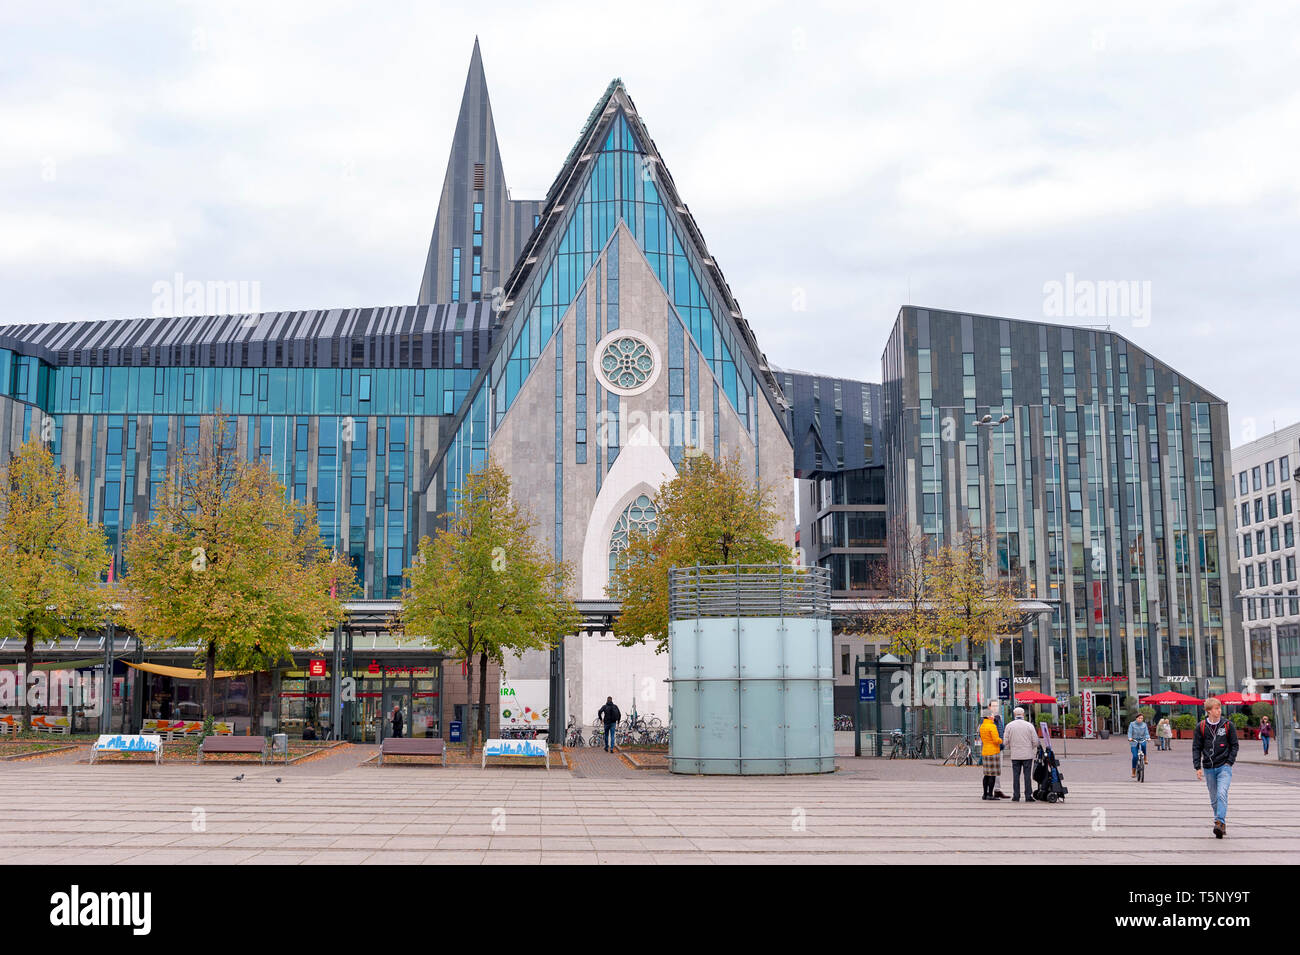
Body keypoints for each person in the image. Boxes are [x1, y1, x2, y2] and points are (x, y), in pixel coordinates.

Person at [1193, 697, 1239, 838]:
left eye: (1219, 708)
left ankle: (1219, 822)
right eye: (1216, 708)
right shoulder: (1201, 726)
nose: (1219, 711)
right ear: (1208, 711)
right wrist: (1197, 767)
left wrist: (1229, 762)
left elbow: (1234, 745)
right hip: (1208, 768)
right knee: (1214, 799)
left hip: (1224, 767)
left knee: (1221, 794)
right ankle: (1221, 824)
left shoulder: (1227, 725)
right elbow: (1196, 747)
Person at [1002, 707, 1039, 802]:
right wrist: (1031, 747)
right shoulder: (1029, 725)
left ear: (1014, 715)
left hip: (1015, 755)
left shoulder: (1009, 726)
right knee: (1027, 776)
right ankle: (1028, 796)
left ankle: (1016, 796)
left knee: (1016, 776)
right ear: (1023, 714)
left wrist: (1010, 746)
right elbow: (1035, 741)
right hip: (1027, 755)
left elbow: (1005, 741)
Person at [979, 708, 1003, 801]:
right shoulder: (992, 726)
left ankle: (984, 794)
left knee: (986, 774)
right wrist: (1001, 740)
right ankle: (990, 794)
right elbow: (996, 740)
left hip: (985, 751)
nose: (993, 717)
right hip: (993, 751)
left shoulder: (982, 726)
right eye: (992, 715)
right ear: (988, 716)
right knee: (992, 774)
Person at [988, 703, 1008, 798]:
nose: (996, 708)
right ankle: (989, 792)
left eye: (997, 706)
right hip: (992, 748)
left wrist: (1002, 744)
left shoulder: (999, 718)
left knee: (998, 770)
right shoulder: (987, 717)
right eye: (993, 706)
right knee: (992, 771)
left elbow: (1001, 731)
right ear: (989, 707)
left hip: (999, 748)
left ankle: (997, 790)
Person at [1128, 711, 1150, 778]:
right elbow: (1130, 732)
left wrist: (1148, 738)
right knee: (1135, 757)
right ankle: (1133, 772)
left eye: (1142, 718)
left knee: (1143, 745)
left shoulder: (1144, 725)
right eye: (1139, 718)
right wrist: (1130, 738)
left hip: (1142, 740)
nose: (1140, 719)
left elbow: (1146, 733)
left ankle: (1145, 758)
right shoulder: (1132, 724)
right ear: (1136, 718)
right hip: (1134, 741)